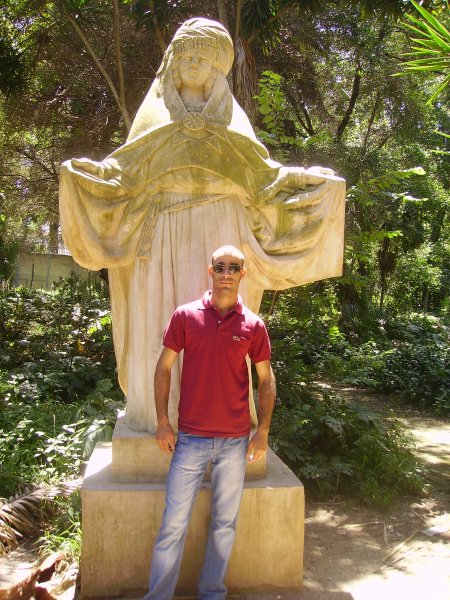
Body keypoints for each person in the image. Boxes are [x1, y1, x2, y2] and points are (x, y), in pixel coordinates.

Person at [59, 17, 345, 433]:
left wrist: (307, 178)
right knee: (161, 322)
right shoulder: (153, 121)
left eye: (204, 59)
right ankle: (158, 418)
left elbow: (265, 179)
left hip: (221, 228)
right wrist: (87, 173)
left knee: (222, 330)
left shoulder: (233, 125)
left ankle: (220, 421)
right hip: (162, 232)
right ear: (173, 64)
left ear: (217, 70)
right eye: (187, 56)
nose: (194, 64)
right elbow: (123, 173)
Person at [145, 245, 275, 600]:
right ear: (211, 271)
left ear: (243, 274)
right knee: (173, 524)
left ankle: (212, 594)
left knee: (224, 526)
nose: (226, 273)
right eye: (220, 267)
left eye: (233, 267)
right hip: (190, 439)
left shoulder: (253, 325)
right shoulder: (186, 316)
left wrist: (262, 431)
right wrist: (162, 420)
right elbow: (163, 367)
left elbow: (266, 379)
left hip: (235, 442)